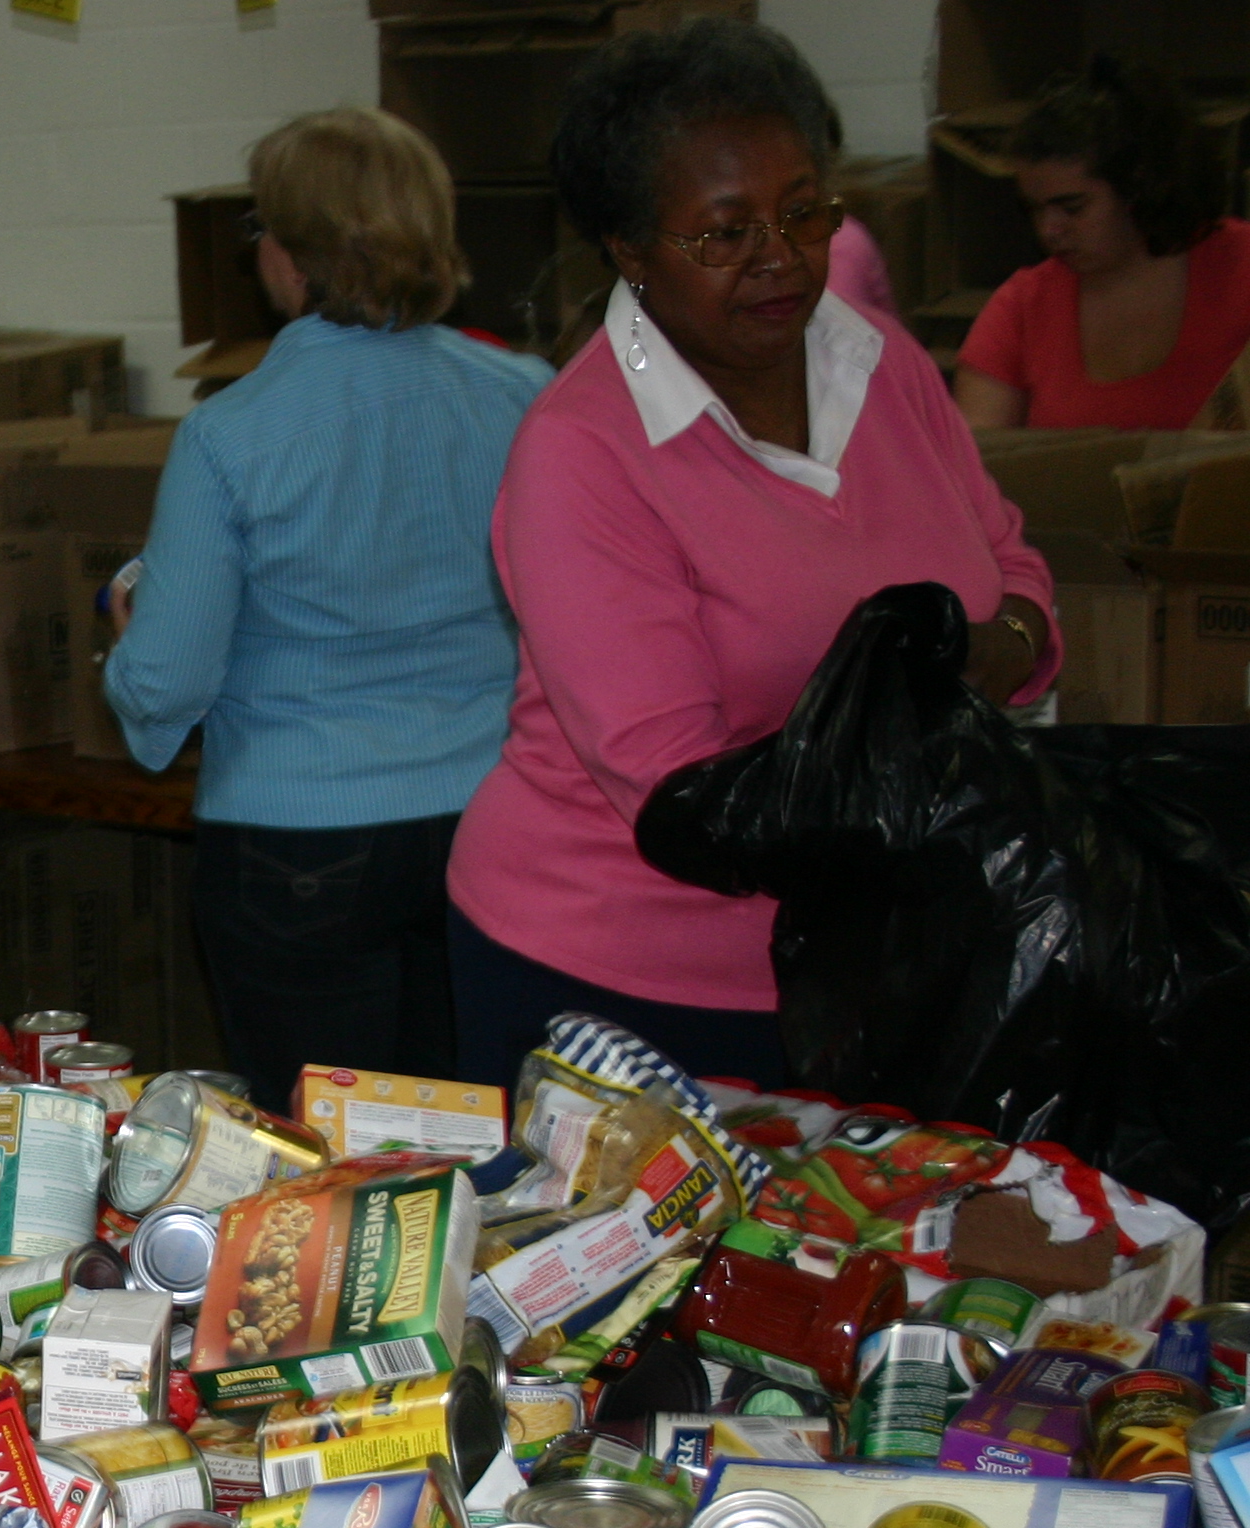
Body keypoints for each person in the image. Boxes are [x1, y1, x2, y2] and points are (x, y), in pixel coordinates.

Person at [450, 18, 1057, 1091]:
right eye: (724, 234)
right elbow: (684, 790)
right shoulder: (583, 452)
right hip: (633, 982)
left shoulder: (881, 366)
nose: (781, 257)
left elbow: (1014, 568)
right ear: (630, 251)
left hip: (878, 952)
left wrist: (994, 642)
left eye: (805, 211)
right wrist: (938, 690)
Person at [103, 109, 547, 1090]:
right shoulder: (524, 396)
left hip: (296, 846)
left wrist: (131, 645)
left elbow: (171, 675)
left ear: (292, 259)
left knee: (325, 1170)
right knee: (473, 1131)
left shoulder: (231, 434)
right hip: (494, 820)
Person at [955, 62, 1250, 432]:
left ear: (1137, 184)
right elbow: (975, 460)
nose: (1049, 230)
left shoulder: (1240, 268)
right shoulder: (1021, 308)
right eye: (1034, 208)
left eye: (1073, 207)